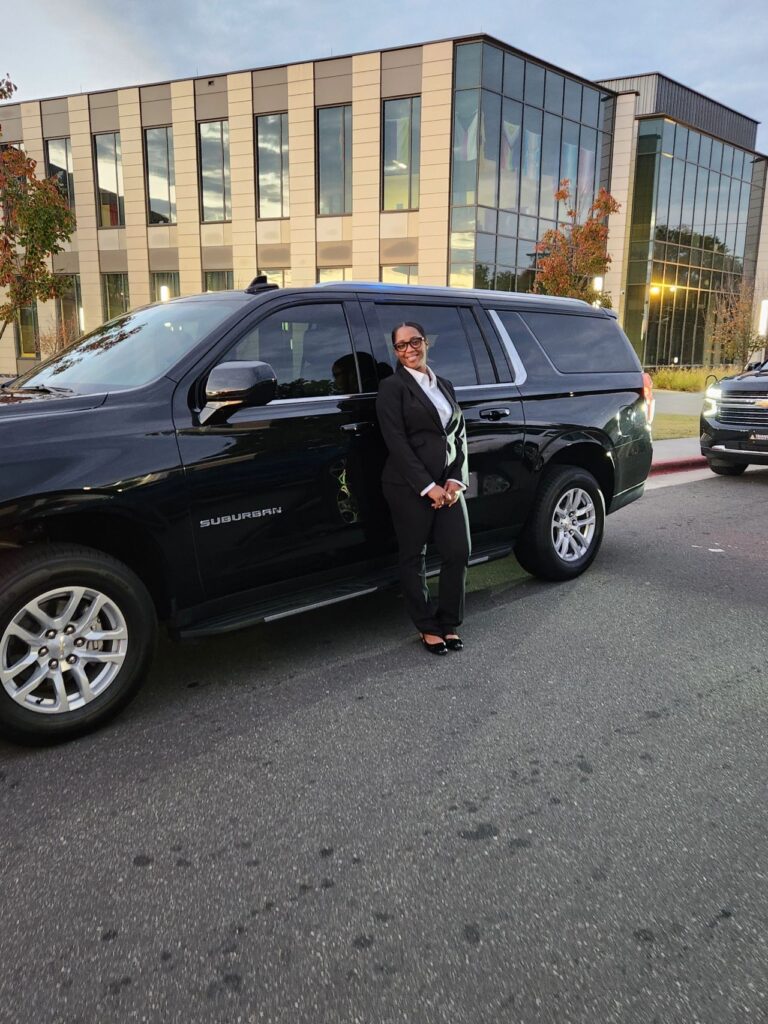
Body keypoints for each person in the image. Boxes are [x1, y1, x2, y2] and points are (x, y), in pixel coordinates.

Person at [375, 321, 470, 655]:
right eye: (401, 346)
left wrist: (455, 480)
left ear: (426, 342)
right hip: (408, 486)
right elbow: (396, 443)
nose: (409, 349)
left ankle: (449, 622)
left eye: (414, 341)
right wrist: (427, 487)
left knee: (458, 550)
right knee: (414, 556)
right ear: (396, 351)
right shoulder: (392, 387)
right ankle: (427, 626)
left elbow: (457, 434)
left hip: (448, 485)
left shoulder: (443, 384)